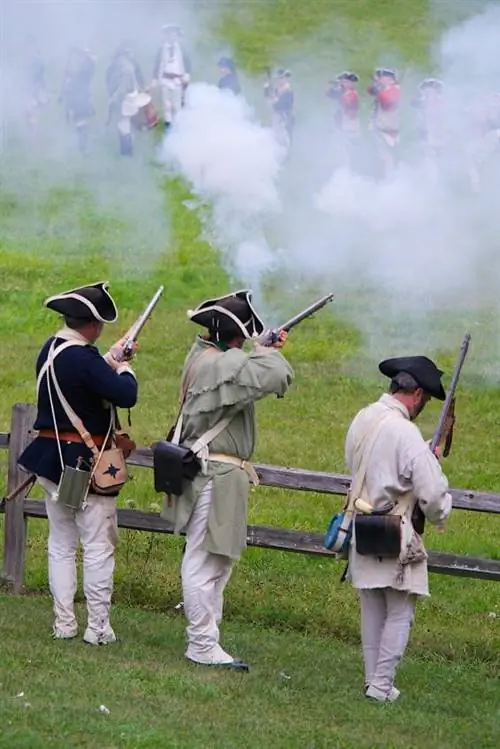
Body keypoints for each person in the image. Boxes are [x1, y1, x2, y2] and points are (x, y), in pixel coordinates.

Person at [161, 290, 294, 670]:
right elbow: (280, 375)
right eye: (241, 337)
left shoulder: (206, 357)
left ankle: (208, 638)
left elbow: (251, 373)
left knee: (215, 562)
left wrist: (258, 348)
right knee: (203, 562)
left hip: (217, 474)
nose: (242, 343)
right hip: (215, 475)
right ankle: (201, 643)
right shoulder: (217, 363)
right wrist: (265, 351)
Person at [17, 282, 138, 645]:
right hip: (86, 464)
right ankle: (98, 629)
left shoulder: (51, 350)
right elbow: (126, 394)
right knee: (98, 546)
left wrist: (109, 361)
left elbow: (82, 383)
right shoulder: (84, 359)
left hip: (53, 462)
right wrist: (125, 367)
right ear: (94, 324)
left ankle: (64, 624)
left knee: (61, 544)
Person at [345, 356, 452, 702]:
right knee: (400, 611)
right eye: (425, 399)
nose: (424, 406)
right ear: (416, 392)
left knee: (372, 605)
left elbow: (364, 463)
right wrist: (440, 515)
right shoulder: (405, 431)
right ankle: (380, 685)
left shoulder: (364, 417)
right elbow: (433, 494)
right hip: (397, 529)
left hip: (363, 523)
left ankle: (373, 682)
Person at [105, 43, 151, 156]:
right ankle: (127, 150)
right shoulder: (122, 66)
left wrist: (114, 98)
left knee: (124, 125)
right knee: (124, 125)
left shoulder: (126, 68)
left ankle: (126, 152)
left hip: (126, 99)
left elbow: (123, 88)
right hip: (126, 98)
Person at [152, 24, 191, 130]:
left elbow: (187, 63)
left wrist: (187, 74)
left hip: (178, 80)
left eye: (174, 35)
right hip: (165, 80)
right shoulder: (162, 48)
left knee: (177, 105)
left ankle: (178, 127)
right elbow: (157, 63)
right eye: (170, 35)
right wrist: (155, 78)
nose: (172, 37)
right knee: (167, 106)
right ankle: (168, 126)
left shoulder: (181, 48)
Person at [59, 46, 96, 153]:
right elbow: (67, 83)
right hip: (74, 99)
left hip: (82, 98)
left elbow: (82, 73)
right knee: (78, 123)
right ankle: (81, 148)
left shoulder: (87, 68)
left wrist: (71, 73)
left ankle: (83, 148)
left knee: (82, 123)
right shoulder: (78, 68)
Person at [367, 68, 401, 176]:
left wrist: (379, 92)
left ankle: (390, 177)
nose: (378, 80)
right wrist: (376, 87)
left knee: (386, 156)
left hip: (388, 129)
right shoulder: (384, 89)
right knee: (380, 155)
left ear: (390, 79)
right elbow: (370, 90)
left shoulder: (394, 89)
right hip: (380, 127)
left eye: (381, 78)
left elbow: (388, 103)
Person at [326, 71, 361, 167]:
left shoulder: (351, 94)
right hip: (344, 125)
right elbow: (329, 94)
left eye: (344, 82)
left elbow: (348, 109)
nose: (341, 84)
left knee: (346, 150)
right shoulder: (345, 93)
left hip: (348, 126)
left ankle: (348, 171)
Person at [264, 68, 295, 151]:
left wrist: (274, 102)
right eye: (278, 78)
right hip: (276, 117)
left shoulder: (288, 91)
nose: (279, 80)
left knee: (284, 140)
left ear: (285, 78)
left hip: (284, 118)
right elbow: (268, 96)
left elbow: (283, 105)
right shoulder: (276, 89)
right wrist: (267, 85)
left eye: (281, 78)